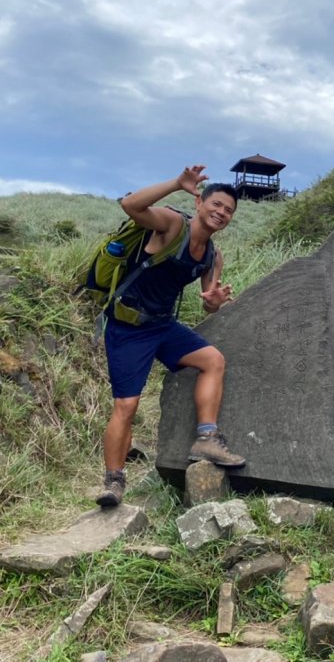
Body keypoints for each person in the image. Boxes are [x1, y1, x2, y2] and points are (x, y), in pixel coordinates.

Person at [96, 164, 245, 507]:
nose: (221, 213)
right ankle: (113, 480)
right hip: (128, 325)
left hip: (162, 326)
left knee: (212, 360)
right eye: (216, 205)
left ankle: (207, 437)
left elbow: (208, 303)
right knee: (127, 405)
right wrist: (177, 184)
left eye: (228, 211)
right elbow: (131, 205)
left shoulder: (212, 255)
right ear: (199, 203)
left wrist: (214, 302)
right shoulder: (172, 224)